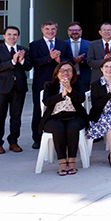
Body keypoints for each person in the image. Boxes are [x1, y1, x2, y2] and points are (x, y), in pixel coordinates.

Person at [29, 21, 74, 149]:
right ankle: (37, 137)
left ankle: (60, 136)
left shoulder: (63, 44)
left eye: (53, 29)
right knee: (39, 110)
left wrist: (60, 61)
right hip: (41, 83)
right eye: (47, 29)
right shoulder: (35, 45)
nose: (50, 31)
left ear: (56, 30)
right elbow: (34, 62)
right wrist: (49, 57)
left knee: (61, 107)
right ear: (42, 30)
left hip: (60, 83)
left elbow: (70, 60)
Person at [39, 62, 88, 175]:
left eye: (69, 70)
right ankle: (62, 161)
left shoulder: (78, 84)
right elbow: (46, 101)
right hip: (54, 117)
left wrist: (70, 90)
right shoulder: (50, 85)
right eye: (62, 70)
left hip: (74, 116)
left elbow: (81, 99)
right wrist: (61, 95)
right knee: (58, 128)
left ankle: (71, 160)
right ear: (57, 74)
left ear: (73, 73)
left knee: (73, 127)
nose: (65, 73)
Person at [0, 26, 31, 154]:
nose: (12, 37)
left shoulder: (23, 49)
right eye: (9, 34)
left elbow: (29, 67)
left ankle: (13, 141)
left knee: (16, 116)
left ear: (18, 36)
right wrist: (12, 62)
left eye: (15, 34)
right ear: (4, 36)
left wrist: (22, 60)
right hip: (1, 88)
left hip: (18, 87)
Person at [66, 22, 91, 92]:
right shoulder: (63, 44)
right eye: (71, 30)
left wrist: (82, 60)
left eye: (77, 30)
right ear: (68, 31)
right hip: (68, 77)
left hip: (84, 76)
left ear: (81, 31)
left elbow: (92, 60)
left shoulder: (89, 44)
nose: (74, 32)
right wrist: (72, 60)